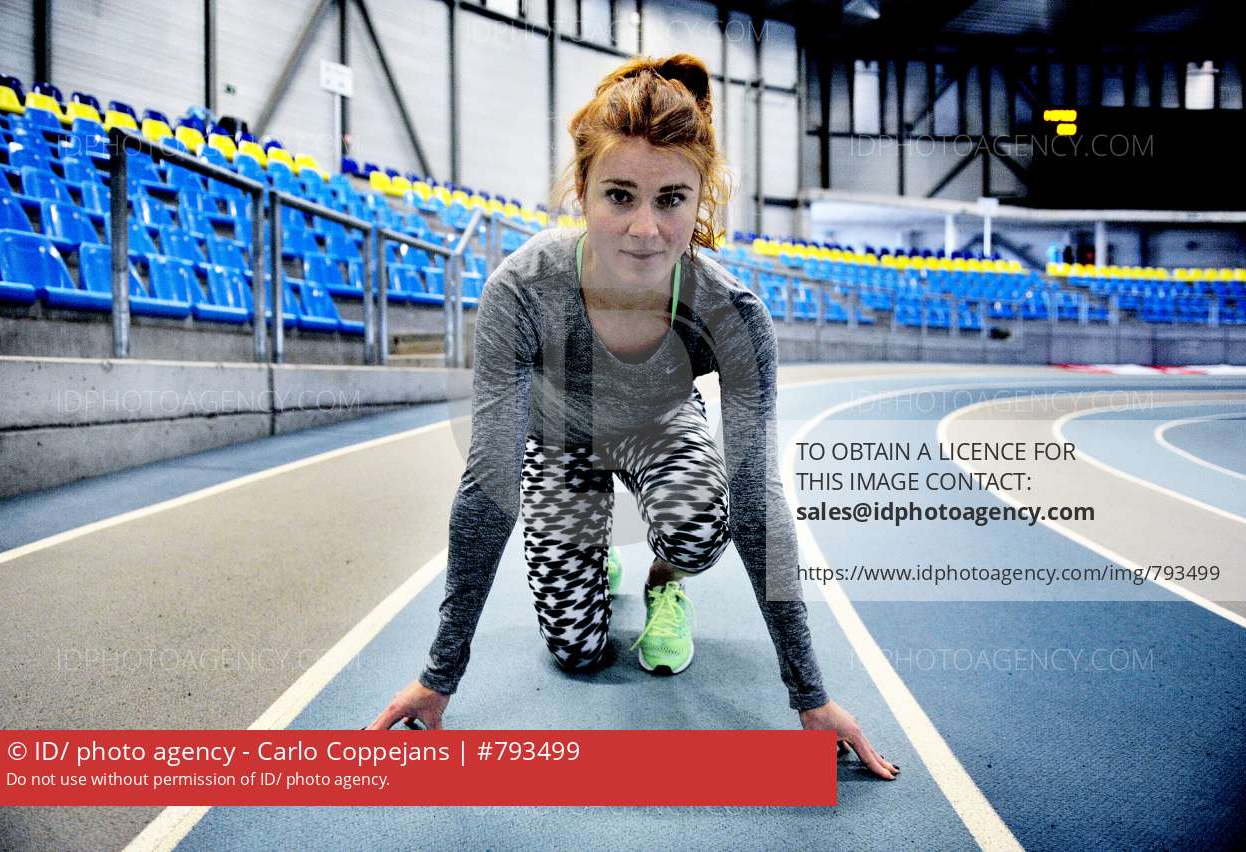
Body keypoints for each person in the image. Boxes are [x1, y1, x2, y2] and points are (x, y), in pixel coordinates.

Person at [367, 52, 898, 781]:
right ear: (581, 191)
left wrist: (810, 697)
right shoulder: (522, 291)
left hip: (659, 424)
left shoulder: (732, 314)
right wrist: (439, 676)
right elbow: (488, 488)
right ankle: (591, 552)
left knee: (698, 523)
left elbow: (756, 498)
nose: (645, 229)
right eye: (620, 195)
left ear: (701, 200)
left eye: (672, 199)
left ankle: (661, 578)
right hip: (559, 437)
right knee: (577, 652)